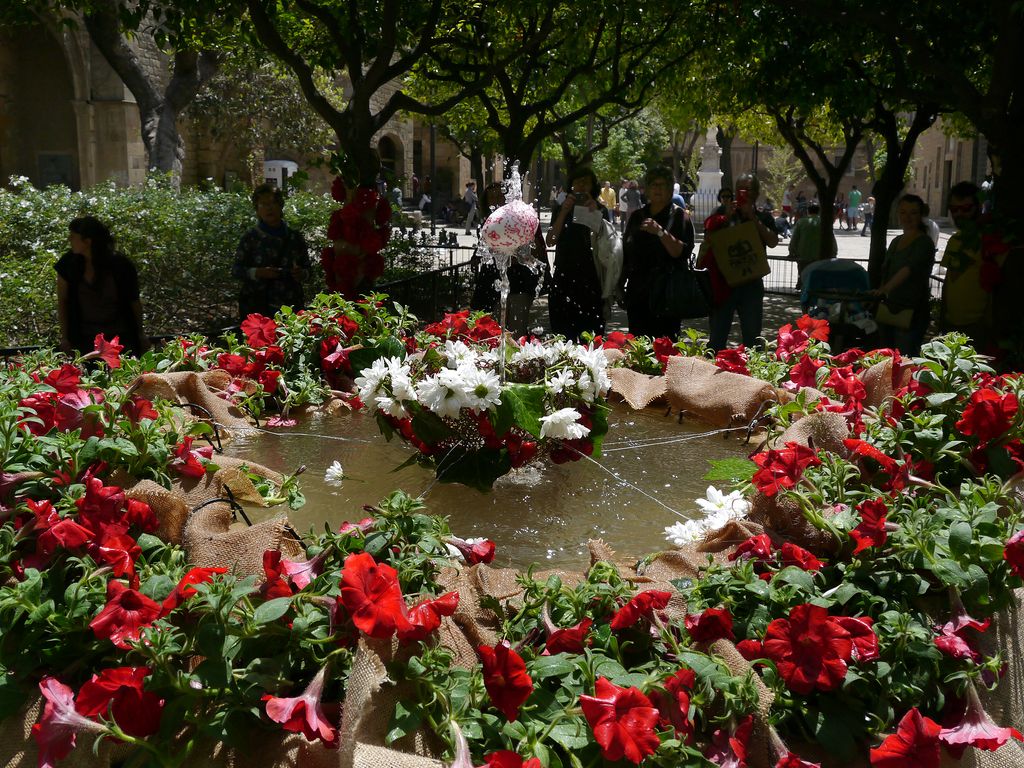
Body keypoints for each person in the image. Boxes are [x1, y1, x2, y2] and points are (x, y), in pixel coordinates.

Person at [699, 172, 779, 351]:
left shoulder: (764, 217)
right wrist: (725, 218)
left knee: (753, 339)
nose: (743, 193)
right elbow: (708, 239)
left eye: (748, 189)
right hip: (723, 284)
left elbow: (773, 242)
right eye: (739, 189)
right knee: (717, 338)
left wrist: (753, 218)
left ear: (756, 193)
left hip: (751, 284)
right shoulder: (721, 213)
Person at [619, 166, 695, 338]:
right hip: (638, 293)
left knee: (665, 347)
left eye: (663, 185)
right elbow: (627, 252)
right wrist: (619, 285)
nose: (658, 189)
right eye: (654, 185)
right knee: (638, 347)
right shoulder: (638, 216)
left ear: (670, 189)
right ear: (647, 189)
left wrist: (660, 232)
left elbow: (679, 252)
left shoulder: (680, 217)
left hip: (667, 295)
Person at [56, 216, 149, 356]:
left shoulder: (120, 266)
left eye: (73, 236)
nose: (70, 240)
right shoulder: (68, 265)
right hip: (83, 337)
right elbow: (63, 301)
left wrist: (140, 334)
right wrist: (65, 337)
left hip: (120, 335)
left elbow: (133, 301)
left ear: (87, 241)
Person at [470, 183, 547, 336]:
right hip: (492, 280)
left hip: (520, 280)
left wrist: (518, 254)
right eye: (492, 198)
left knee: (517, 330)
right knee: (492, 330)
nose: (496, 201)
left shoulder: (523, 219)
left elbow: (538, 251)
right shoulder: (489, 222)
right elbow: (482, 249)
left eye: (500, 196)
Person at [545, 166, 609, 341]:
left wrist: (595, 212)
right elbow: (550, 241)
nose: (581, 186)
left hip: (591, 281)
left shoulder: (601, 210)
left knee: (591, 337)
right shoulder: (561, 209)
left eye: (585, 182)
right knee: (562, 336)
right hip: (564, 277)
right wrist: (564, 211)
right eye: (577, 182)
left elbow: (607, 243)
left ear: (593, 186)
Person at [232, 183, 310, 321]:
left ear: (280, 206)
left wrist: (301, 274)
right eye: (263, 204)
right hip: (258, 307)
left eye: (273, 203)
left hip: (290, 305)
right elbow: (236, 270)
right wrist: (257, 272)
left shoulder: (294, 237)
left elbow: (308, 270)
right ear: (257, 209)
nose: (269, 208)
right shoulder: (251, 238)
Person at [873, 194, 935, 355]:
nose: (907, 217)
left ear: (921, 215)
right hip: (889, 309)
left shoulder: (924, 242)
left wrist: (885, 288)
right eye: (903, 212)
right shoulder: (896, 241)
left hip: (911, 312)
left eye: (913, 213)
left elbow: (908, 269)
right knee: (886, 359)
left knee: (905, 360)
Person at [939, 182, 991, 348]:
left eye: (966, 208)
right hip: (951, 324)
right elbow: (948, 280)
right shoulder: (955, 240)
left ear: (978, 206)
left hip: (979, 326)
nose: (959, 214)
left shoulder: (989, 241)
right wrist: (942, 316)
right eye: (954, 209)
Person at [789, 203, 837, 279]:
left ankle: (801, 286)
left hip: (803, 255)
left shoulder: (801, 222)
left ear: (808, 211)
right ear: (819, 212)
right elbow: (831, 239)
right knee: (818, 277)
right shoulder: (824, 222)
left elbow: (794, 239)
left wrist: (791, 252)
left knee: (803, 275)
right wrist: (834, 253)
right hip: (820, 256)